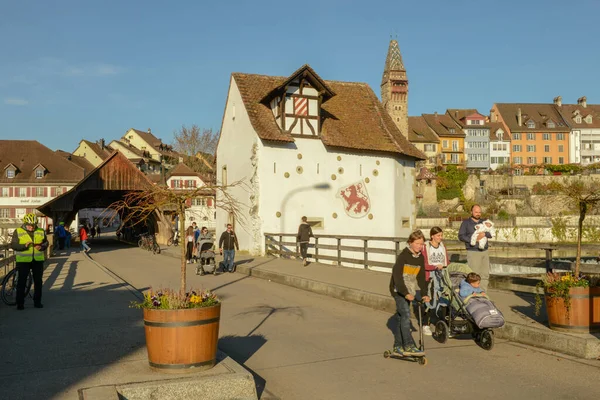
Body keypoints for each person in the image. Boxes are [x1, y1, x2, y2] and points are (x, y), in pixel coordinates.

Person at [389, 230, 430, 356]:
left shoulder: (420, 258)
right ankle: (408, 345)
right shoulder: (403, 256)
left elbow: (421, 278)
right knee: (406, 315)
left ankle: (397, 346)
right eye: (417, 244)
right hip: (398, 289)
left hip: (410, 289)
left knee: (402, 318)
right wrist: (405, 293)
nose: (420, 246)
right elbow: (397, 277)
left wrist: (424, 293)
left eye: (422, 244)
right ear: (410, 243)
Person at [10, 213, 48, 310]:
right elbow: (13, 245)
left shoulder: (41, 231)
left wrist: (42, 247)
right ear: (25, 224)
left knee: (38, 282)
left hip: (37, 260)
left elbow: (46, 242)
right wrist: (24, 246)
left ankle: (37, 302)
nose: (32, 227)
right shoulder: (18, 231)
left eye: (34, 225)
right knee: (21, 282)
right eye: (30, 225)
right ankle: (20, 304)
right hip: (23, 261)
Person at [421, 226, 449, 336]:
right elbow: (423, 263)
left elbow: (446, 261)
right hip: (430, 276)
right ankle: (425, 324)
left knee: (443, 298)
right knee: (429, 299)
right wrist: (434, 267)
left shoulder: (442, 246)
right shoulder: (425, 247)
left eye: (441, 235)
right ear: (432, 236)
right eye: (438, 236)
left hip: (441, 275)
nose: (440, 238)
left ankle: (443, 323)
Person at [458, 205, 492, 291]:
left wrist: (484, 234)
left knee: (485, 274)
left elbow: (491, 233)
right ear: (471, 212)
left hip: (484, 251)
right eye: (476, 212)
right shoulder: (466, 223)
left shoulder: (484, 222)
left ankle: (483, 293)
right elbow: (461, 236)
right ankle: (473, 294)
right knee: (474, 275)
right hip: (473, 251)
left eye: (479, 212)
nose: (478, 214)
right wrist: (474, 239)